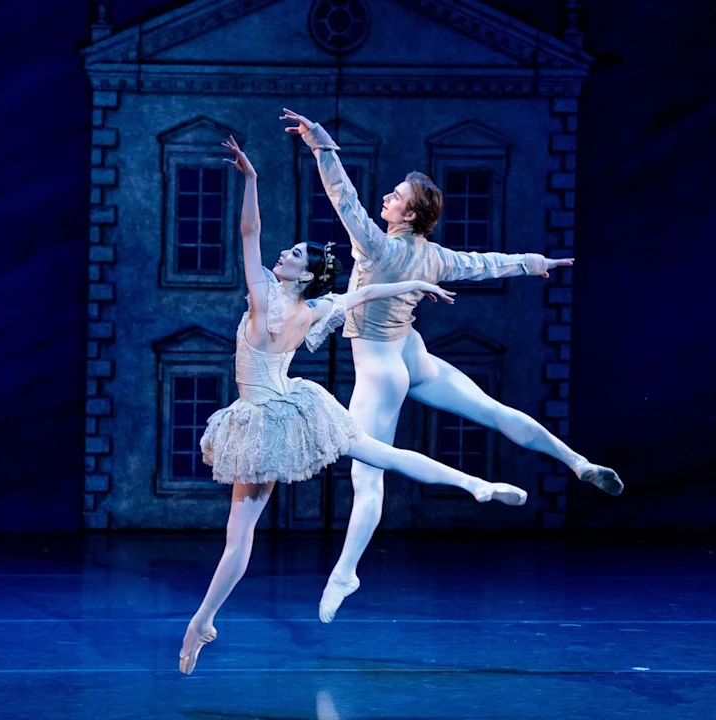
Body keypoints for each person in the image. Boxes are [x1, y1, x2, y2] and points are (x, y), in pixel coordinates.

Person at [179, 136, 528, 675]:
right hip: (295, 412)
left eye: (293, 254)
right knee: (377, 455)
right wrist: (417, 282)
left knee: (241, 536)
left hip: (262, 423)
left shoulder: (263, 297)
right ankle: (474, 484)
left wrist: (250, 180)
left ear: (302, 273)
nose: (284, 254)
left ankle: (203, 619)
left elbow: (250, 232)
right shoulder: (318, 306)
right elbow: (363, 296)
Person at [280, 108, 623, 624]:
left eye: (396, 197)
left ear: (410, 216)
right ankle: (576, 462)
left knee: (368, 477)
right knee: (493, 409)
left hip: (382, 369)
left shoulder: (374, 246)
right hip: (412, 355)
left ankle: (346, 572)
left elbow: (343, 197)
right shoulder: (436, 257)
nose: (387, 200)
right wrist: (534, 263)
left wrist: (320, 144)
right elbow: (487, 263)